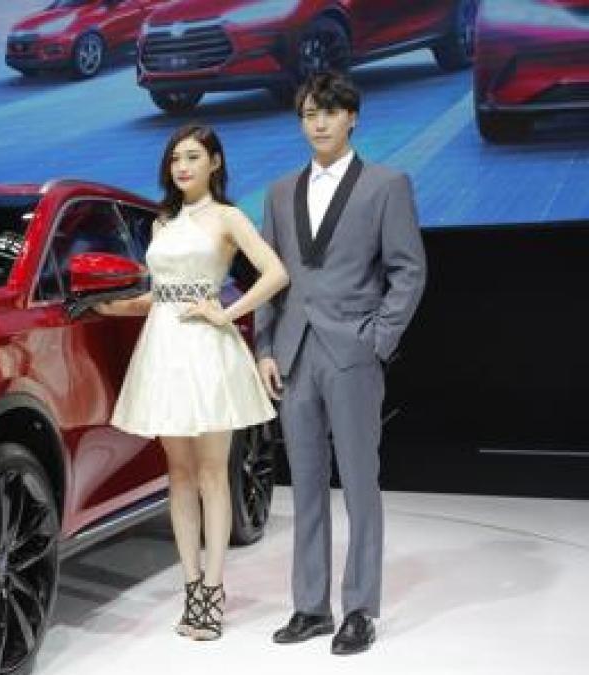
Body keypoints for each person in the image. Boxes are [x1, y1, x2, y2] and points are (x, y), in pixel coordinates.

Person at [256, 72, 426, 656]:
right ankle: (310, 606)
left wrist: (379, 339)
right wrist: (264, 347)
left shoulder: (386, 184)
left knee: (359, 482)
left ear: (352, 117)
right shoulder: (280, 191)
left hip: (353, 351)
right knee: (304, 484)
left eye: (329, 112)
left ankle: (359, 608)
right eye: (309, 114)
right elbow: (270, 276)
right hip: (294, 353)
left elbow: (409, 269)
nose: (319, 123)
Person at [96, 124, 288, 640]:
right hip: (163, 349)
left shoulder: (228, 217)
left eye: (193, 157)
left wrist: (227, 312)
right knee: (178, 475)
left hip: (206, 351)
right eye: (176, 158)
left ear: (215, 162)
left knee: (211, 474)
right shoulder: (162, 222)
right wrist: (113, 307)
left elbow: (275, 273)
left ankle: (214, 589)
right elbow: (159, 294)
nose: (182, 166)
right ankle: (191, 586)